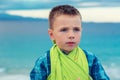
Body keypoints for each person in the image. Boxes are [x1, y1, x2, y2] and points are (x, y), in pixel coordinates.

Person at [30, 4, 110, 80]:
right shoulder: (45, 61)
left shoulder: (90, 58)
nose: (71, 35)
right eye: (64, 30)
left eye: (76, 29)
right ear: (52, 35)